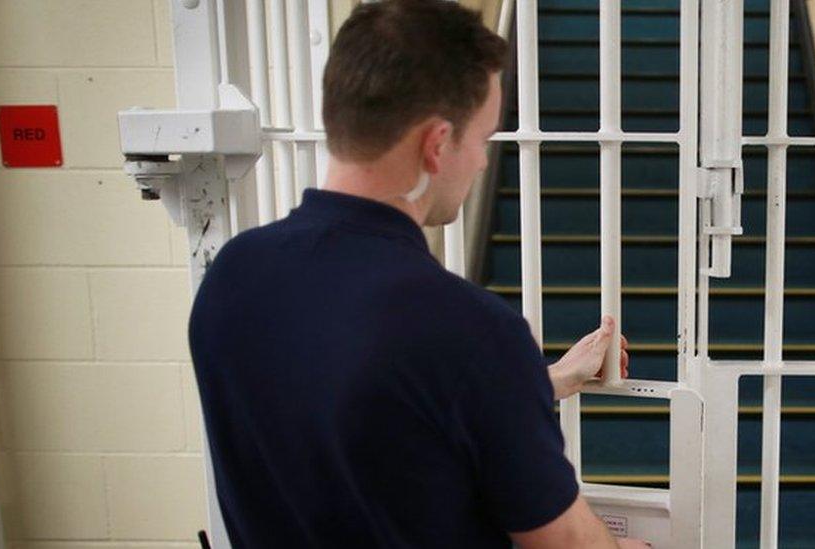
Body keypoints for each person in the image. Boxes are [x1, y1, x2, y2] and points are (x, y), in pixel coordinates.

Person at [188, 0, 650, 547]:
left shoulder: (232, 279)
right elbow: (567, 543)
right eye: (480, 140)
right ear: (436, 144)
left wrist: (538, 381)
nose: (481, 162)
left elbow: (358, 408)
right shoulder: (468, 329)